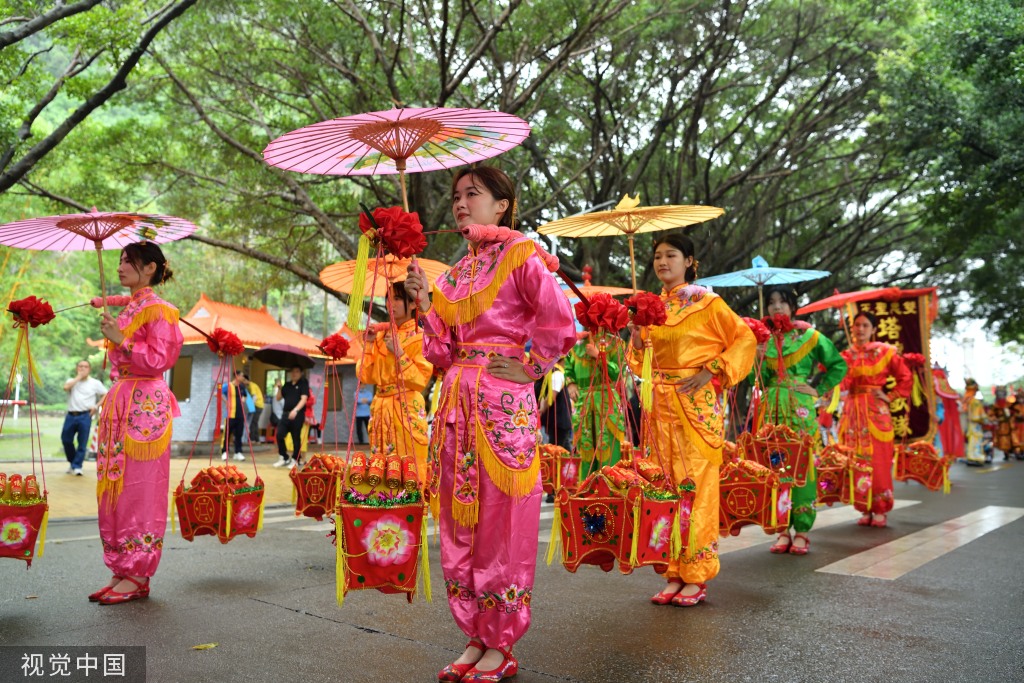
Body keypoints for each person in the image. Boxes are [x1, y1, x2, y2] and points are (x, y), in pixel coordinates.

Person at [403, 165, 576, 682]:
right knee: (461, 522)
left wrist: (532, 366)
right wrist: (422, 304)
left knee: (502, 521)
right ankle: (475, 633)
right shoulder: (454, 275)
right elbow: (438, 352)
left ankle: (502, 638)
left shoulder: (521, 254)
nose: (460, 203)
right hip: (455, 403)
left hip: (502, 401)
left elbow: (560, 321)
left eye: (472, 194)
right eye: (456, 195)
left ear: (501, 205)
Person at [626, 234, 755, 607]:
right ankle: (672, 570)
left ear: (689, 261)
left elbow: (743, 338)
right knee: (663, 487)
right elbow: (641, 363)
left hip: (695, 407)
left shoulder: (707, 301)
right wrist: (636, 337)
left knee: (695, 488)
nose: (662, 261)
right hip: (659, 407)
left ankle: (697, 573)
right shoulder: (651, 305)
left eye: (671, 255)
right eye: (657, 256)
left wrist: (712, 369)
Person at [92, 241, 183, 605]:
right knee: (113, 486)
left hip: (145, 404)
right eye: (119, 260)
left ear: (149, 269)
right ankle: (121, 568)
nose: (120, 266)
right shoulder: (131, 308)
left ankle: (139, 571)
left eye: (128, 261)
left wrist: (121, 341)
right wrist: (116, 329)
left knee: (140, 488)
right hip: (120, 400)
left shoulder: (162, 311)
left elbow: (160, 359)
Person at [753, 286, 847, 555]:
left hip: (800, 409)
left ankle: (803, 530)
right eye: (771, 303)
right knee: (774, 466)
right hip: (770, 408)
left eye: (782, 301)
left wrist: (818, 388)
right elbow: (750, 380)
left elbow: (838, 364)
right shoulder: (761, 339)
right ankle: (781, 528)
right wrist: (754, 358)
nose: (776, 307)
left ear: (793, 305)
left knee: (802, 465)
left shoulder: (809, 336)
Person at [838, 311, 912, 527]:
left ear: (873, 329)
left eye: (865, 325)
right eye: (856, 325)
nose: (860, 329)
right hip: (852, 413)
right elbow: (840, 383)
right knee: (857, 460)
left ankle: (880, 508)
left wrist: (890, 396)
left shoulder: (885, 352)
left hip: (875, 412)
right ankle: (864, 507)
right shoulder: (846, 355)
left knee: (878, 462)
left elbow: (905, 377)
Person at [357, 282, 432, 482]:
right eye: (388, 299)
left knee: (410, 468)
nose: (391, 304)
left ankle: (412, 512)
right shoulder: (381, 336)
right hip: (381, 409)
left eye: (397, 298)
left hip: (405, 409)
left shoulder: (421, 337)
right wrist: (369, 345)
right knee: (380, 468)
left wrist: (399, 354)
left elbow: (420, 380)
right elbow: (366, 376)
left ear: (414, 304)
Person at [565, 331, 626, 477]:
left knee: (609, 450)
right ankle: (586, 491)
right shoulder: (576, 345)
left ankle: (611, 490)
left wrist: (599, 355)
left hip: (606, 402)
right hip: (584, 403)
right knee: (586, 450)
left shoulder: (615, 343)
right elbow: (568, 370)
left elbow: (617, 374)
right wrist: (570, 383)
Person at [61, 360, 108, 476]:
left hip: (85, 415)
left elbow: (106, 394)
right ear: (77, 368)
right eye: (80, 366)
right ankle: (73, 462)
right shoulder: (71, 381)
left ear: (89, 369)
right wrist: (78, 377)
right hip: (71, 415)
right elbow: (66, 387)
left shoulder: (95, 383)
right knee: (66, 439)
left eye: (85, 367)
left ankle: (77, 466)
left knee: (82, 442)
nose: (83, 368)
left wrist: (96, 406)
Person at [274, 366, 308, 467]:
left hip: (297, 414)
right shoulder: (287, 385)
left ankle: (295, 459)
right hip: (285, 414)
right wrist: (279, 388)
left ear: (301, 373)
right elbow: (278, 398)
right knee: (279, 434)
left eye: (297, 371)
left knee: (295, 437)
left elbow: (304, 399)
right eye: (292, 371)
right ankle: (284, 457)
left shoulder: (303, 384)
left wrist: (296, 410)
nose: (294, 374)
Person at [221, 370, 249, 461]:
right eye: (242, 376)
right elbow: (218, 392)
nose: (243, 378)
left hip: (240, 414)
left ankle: (238, 452)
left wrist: (244, 398)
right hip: (230, 414)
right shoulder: (228, 385)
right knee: (227, 434)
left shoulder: (241, 386)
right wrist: (226, 402)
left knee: (239, 434)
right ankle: (225, 452)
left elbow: (245, 394)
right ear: (236, 376)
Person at [962, 379, 987, 466]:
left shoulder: (966, 401)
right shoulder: (975, 402)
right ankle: (975, 457)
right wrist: (984, 419)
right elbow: (977, 417)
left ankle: (971, 456)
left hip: (969, 424)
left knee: (972, 440)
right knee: (976, 440)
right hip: (975, 424)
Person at [243, 373, 265, 444]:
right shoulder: (249, 386)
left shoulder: (251, 385)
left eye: (243, 380)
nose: (243, 382)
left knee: (253, 422)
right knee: (255, 422)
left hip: (258, 405)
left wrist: (250, 407)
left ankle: (253, 439)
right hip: (258, 405)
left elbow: (254, 397)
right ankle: (256, 439)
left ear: (246, 380)